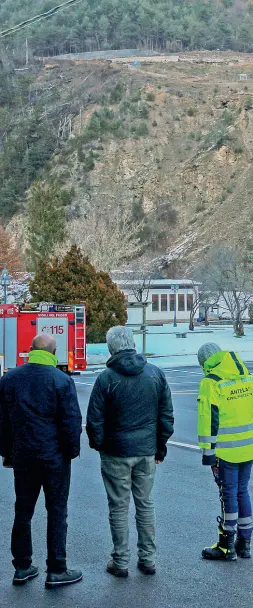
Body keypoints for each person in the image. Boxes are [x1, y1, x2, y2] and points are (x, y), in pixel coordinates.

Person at [86, 326, 174, 578]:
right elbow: (166, 416)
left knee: (118, 507)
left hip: (116, 451)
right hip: (146, 450)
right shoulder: (155, 373)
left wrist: (100, 445)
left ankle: (121, 561)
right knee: (145, 504)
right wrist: (160, 446)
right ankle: (148, 559)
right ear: (132, 343)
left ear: (111, 347)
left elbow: (94, 420)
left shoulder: (106, 378)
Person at [0, 334, 83, 588]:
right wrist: (70, 452)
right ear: (54, 352)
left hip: (23, 457)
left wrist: (7, 453)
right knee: (57, 511)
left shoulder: (9, 379)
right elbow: (71, 422)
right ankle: (56, 569)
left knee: (23, 511)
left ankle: (22, 567)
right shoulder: (61, 380)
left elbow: (3, 422)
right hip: (54, 457)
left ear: (29, 350)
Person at [197, 343, 253, 562]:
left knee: (227, 494)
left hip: (226, 450)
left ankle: (226, 544)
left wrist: (208, 452)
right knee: (242, 491)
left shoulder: (211, 382)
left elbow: (207, 419)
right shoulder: (246, 376)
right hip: (248, 447)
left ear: (205, 362)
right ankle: (245, 542)